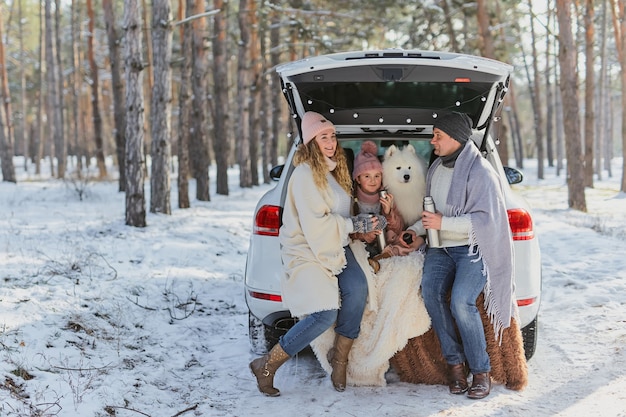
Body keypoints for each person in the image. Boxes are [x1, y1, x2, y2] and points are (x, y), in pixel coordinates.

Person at [249, 111, 387, 396]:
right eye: (324, 137)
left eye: (333, 136)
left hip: (334, 243)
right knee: (325, 314)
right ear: (311, 141)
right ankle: (267, 364)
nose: (331, 141)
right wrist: (352, 225)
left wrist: (366, 222)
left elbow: (338, 214)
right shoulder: (304, 175)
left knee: (358, 288)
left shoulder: (332, 171)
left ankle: (340, 358)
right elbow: (316, 225)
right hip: (308, 249)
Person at [403, 112, 516, 399]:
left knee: (462, 302)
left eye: (438, 135)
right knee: (430, 293)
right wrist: (416, 231)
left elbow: (485, 221)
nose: (433, 141)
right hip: (440, 247)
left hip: (473, 248)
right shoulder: (436, 169)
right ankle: (455, 365)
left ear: (456, 138)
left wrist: (443, 223)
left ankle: (481, 371)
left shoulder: (481, 173)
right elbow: (431, 213)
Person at [350, 141, 423, 273]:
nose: (373, 180)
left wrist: (389, 212)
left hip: (385, 245)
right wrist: (367, 235)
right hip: (361, 244)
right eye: (367, 176)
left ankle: (380, 260)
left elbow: (398, 228)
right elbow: (348, 228)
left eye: (377, 176)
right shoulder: (350, 199)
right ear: (358, 179)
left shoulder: (387, 196)